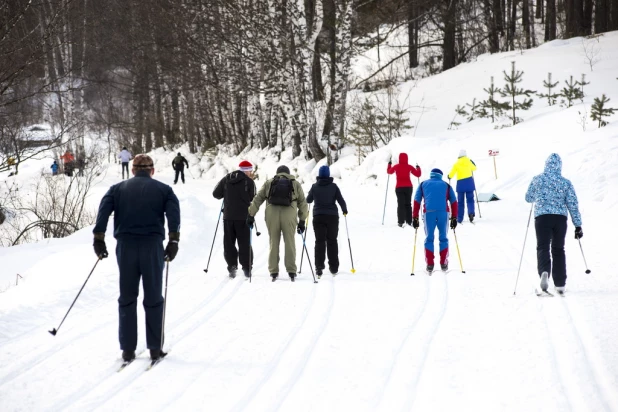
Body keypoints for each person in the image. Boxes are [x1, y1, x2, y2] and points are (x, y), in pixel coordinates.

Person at [92, 154, 181, 363]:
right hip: (152, 247)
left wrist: (99, 239)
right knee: (153, 297)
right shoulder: (164, 190)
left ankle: (128, 349)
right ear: (152, 170)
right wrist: (173, 241)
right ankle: (154, 348)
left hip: (126, 247)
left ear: (132, 170)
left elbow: (103, 213)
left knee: (127, 297)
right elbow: (174, 216)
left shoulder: (116, 189)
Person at [525, 153, 582, 295]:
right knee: (558, 249)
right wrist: (578, 225)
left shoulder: (537, 179)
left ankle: (544, 272)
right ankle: (560, 283)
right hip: (560, 219)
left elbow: (528, 197)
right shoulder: (566, 182)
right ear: (559, 167)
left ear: (546, 165)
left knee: (543, 247)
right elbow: (572, 204)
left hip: (542, 218)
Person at [247, 165, 309, 282]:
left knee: (273, 241)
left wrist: (251, 214)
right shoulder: (295, 184)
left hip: (271, 214)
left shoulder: (269, 183)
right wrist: (302, 220)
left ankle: (273, 271)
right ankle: (291, 270)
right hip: (289, 214)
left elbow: (258, 199)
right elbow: (303, 204)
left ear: (277, 173)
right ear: (288, 173)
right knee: (289, 242)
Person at [212, 160, 256, 278]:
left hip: (228, 217)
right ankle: (247, 268)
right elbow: (252, 197)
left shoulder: (226, 179)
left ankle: (232, 267)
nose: (251, 173)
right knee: (244, 242)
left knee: (229, 243)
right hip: (244, 217)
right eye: (250, 170)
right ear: (246, 171)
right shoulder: (249, 182)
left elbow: (216, 194)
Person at [412, 168, 458, 272]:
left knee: (429, 238)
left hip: (429, 213)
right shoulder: (446, 185)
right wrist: (454, 217)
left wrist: (415, 217)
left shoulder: (423, 184)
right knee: (443, 238)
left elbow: (416, 201)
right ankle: (443, 263)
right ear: (440, 176)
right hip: (443, 212)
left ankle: (429, 264)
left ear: (431, 175)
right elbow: (454, 202)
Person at [306, 165, 348, 277]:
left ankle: (319, 267)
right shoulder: (334, 187)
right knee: (332, 241)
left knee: (319, 241)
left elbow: (308, 200)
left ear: (319, 175)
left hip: (318, 216)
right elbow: (341, 200)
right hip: (332, 217)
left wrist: (311, 195)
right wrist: (344, 210)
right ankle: (334, 268)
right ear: (328, 174)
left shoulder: (314, 186)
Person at [387, 153, 421, 227]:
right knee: (408, 204)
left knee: (400, 204)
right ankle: (409, 221)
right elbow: (418, 174)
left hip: (399, 187)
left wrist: (389, 164)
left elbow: (389, 171)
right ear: (407, 158)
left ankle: (401, 221)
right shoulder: (409, 167)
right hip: (408, 187)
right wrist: (418, 168)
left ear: (399, 158)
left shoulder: (397, 166)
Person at [448, 150, 477, 223]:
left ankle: (459, 218)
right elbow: (474, 168)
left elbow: (451, 174)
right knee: (470, 199)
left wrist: (449, 176)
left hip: (460, 184)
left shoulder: (456, 163)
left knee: (460, 202)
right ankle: (471, 213)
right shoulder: (469, 161)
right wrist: (472, 162)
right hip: (469, 182)